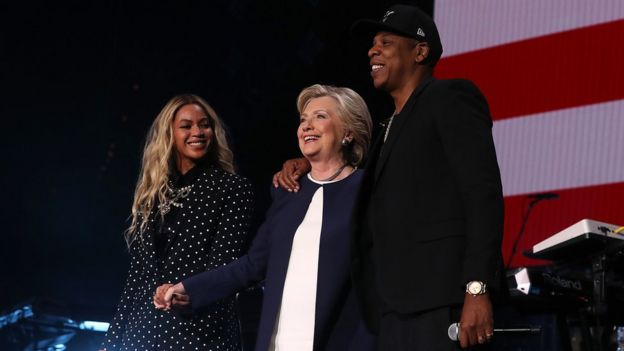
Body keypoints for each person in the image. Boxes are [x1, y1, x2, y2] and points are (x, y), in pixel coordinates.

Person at [273, 5, 504, 350]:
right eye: (372, 44)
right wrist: (311, 164)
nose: (372, 50)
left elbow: (482, 194)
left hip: (442, 302)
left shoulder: (449, 97)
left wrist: (477, 287)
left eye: (386, 42)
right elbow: (376, 190)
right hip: (392, 311)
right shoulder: (388, 127)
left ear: (420, 51)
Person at [154, 84, 376, 351]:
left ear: (348, 133)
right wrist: (189, 288)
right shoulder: (289, 191)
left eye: (320, 116)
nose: (306, 126)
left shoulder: (370, 190)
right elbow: (253, 265)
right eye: (303, 120)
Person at [101, 94, 254, 351]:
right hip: (142, 333)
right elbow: (137, 277)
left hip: (199, 330)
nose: (198, 132)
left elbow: (223, 266)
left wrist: (185, 292)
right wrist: (111, 341)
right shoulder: (153, 194)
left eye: (204, 125)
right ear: (169, 133)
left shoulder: (232, 188)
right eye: (186, 125)